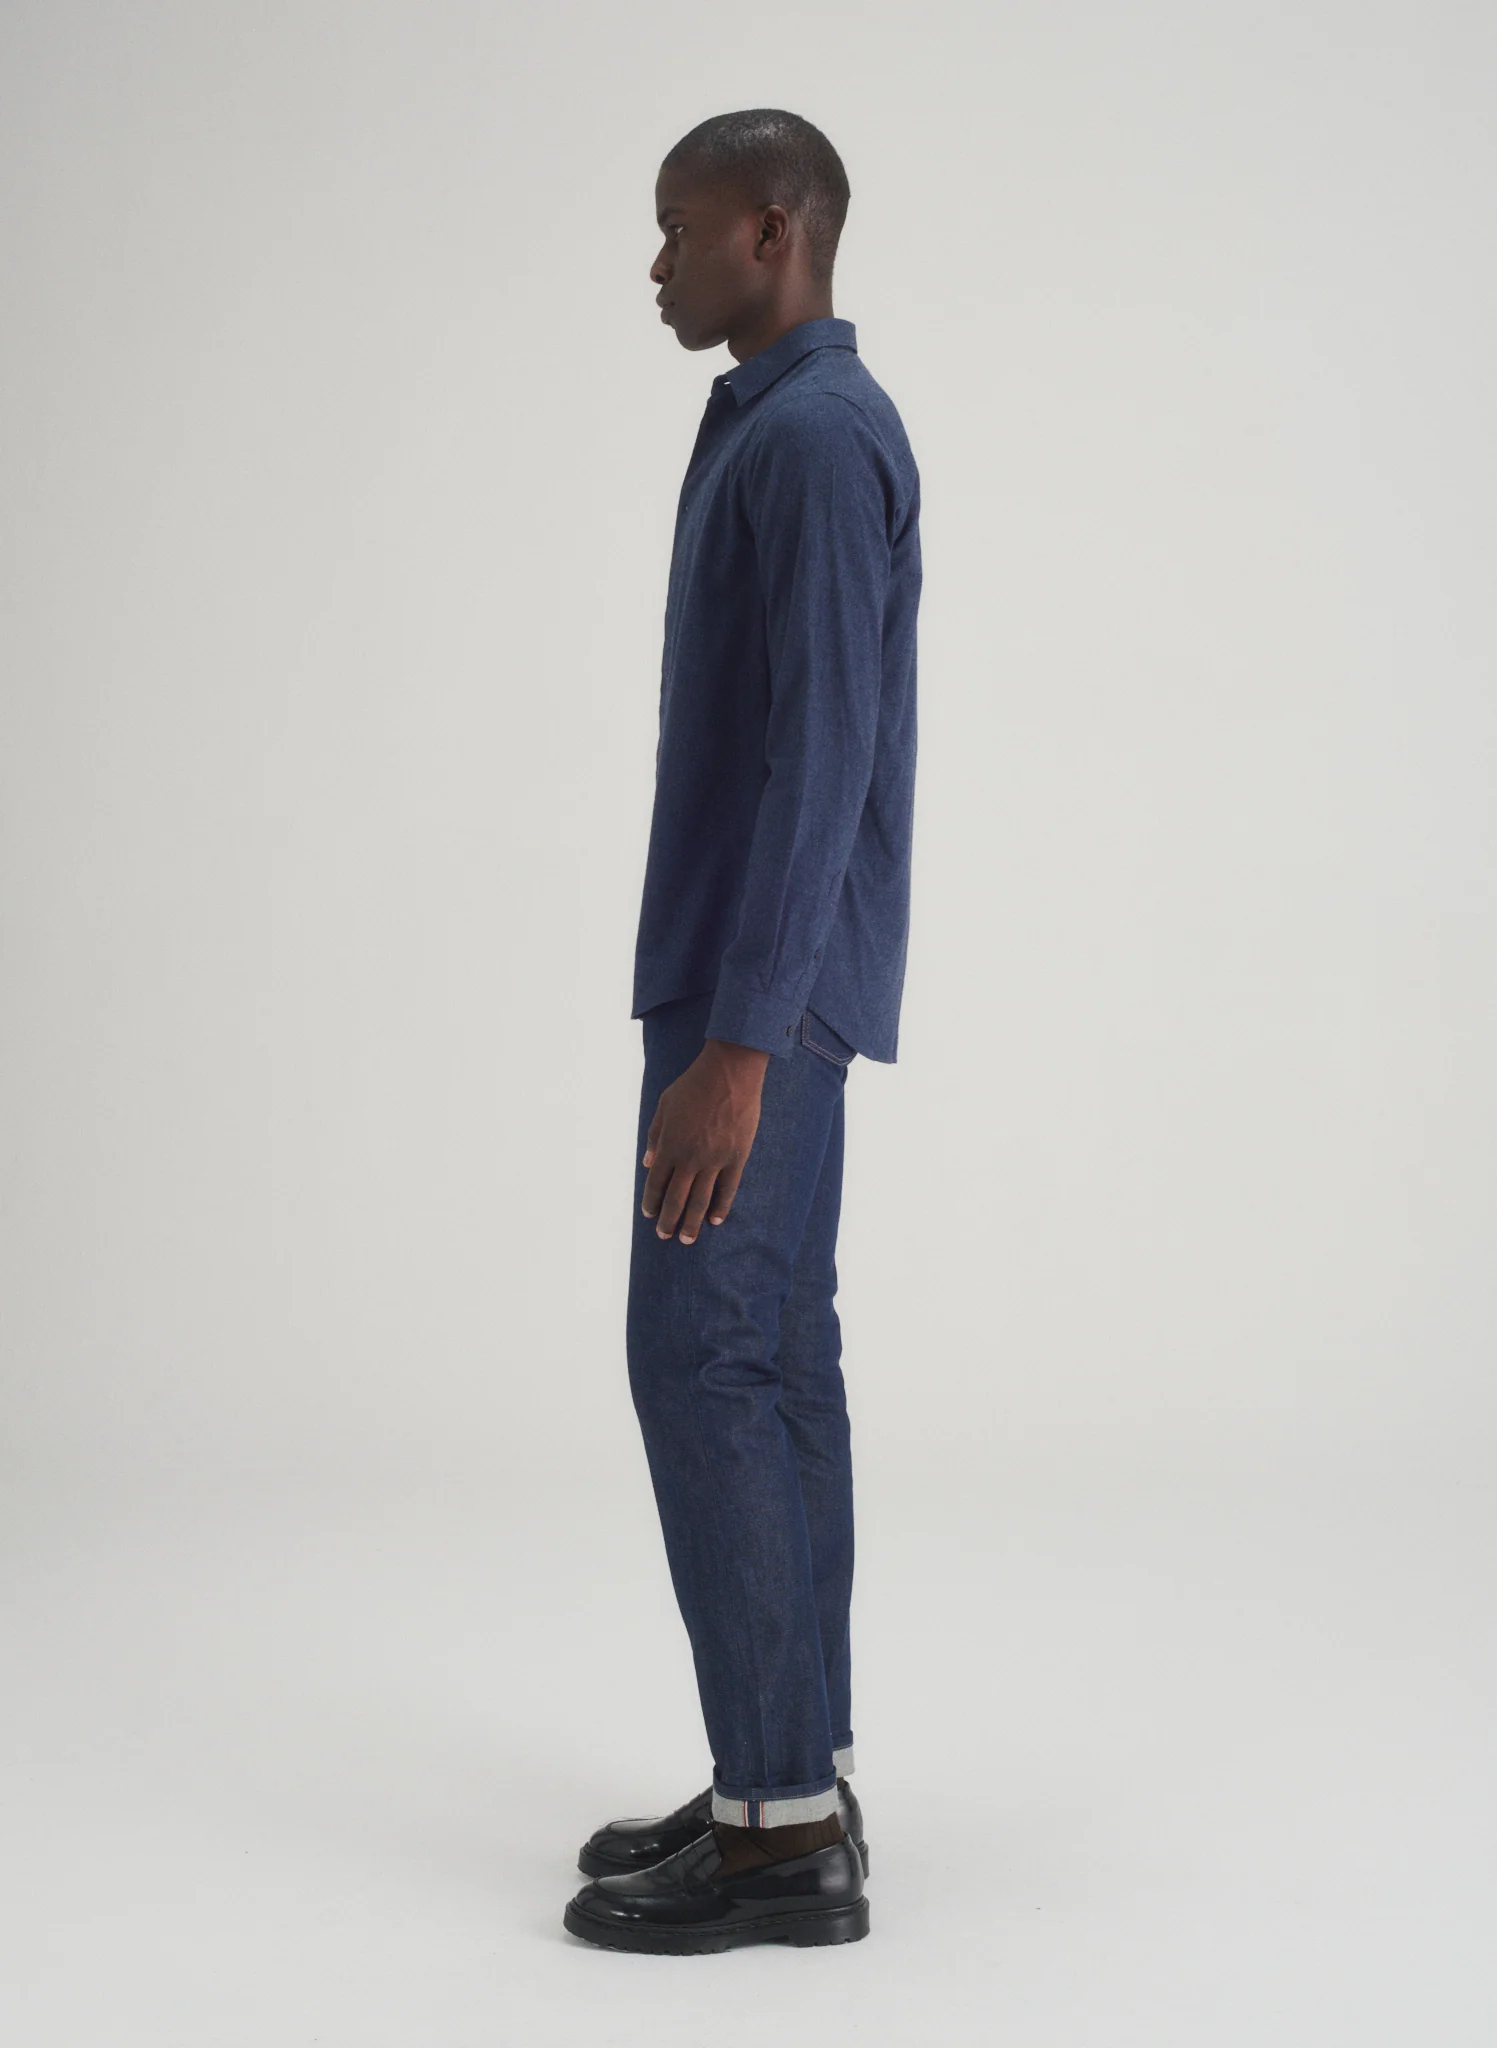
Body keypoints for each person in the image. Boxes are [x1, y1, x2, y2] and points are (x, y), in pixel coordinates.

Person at [563, 108, 921, 1956]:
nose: (657, 262)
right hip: (756, 985)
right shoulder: (780, 426)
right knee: (771, 1362)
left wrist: (739, 1044)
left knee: (701, 1357)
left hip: (754, 1003)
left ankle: (778, 1833)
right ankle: (791, 1780)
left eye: (677, 227)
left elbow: (824, 759)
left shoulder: (816, 438)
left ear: (772, 233)